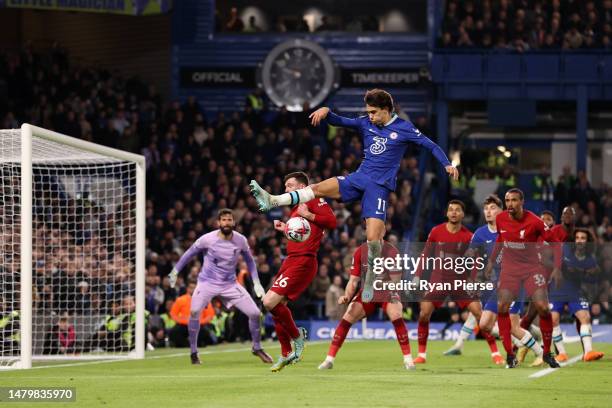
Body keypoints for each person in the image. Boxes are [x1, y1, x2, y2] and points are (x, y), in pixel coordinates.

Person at [250, 89, 457, 307]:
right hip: (359, 178)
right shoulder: (366, 123)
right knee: (318, 187)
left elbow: (430, 145)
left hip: (379, 187)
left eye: (374, 112)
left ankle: (369, 282)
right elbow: (339, 121)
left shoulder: (404, 128)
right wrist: (326, 111)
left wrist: (447, 164)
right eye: (368, 112)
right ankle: (273, 200)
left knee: (373, 237)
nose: (370, 116)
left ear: (386, 110)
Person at [168, 208, 272, 365]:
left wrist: (257, 282)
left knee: (255, 313)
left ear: (234, 222)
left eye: (229, 220)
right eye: (223, 220)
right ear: (218, 223)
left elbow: (250, 261)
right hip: (207, 283)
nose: (226, 222)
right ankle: (194, 352)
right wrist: (175, 270)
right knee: (195, 311)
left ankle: (257, 347)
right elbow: (189, 253)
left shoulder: (241, 240)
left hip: (230, 284)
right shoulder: (207, 239)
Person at [261, 172, 337, 372]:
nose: (286, 190)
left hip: (303, 261)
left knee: (269, 302)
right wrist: (285, 228)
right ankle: (286, 353)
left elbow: (332, 222)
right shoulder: (296, 209)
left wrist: (308, 215)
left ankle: (297, 338)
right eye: (285, 187)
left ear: (302, 186)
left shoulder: (313, 198)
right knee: (278, 308)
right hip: (291, 260)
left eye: (290, 186)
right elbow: (303, 233)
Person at [485, 188, 562, 368]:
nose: (509, 204)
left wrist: (557, 267)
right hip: (509, 271)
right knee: (502, 308)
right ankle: (510, 355)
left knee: (543, 308)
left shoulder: (535, 222)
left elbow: (556, 243)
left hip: (531, 270)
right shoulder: (501, 218)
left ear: (522, 202)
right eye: (507, 200)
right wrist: (491, 262)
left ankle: (547, 353)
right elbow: (500, 240)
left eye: (513, 200)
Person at [413, 200, 497, 364]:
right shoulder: (436, 231)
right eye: (450, 209)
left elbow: (475, 261)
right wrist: (417, 275)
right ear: (446, 213)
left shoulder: (468, 236)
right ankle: (421, 355)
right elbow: (425, 254)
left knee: (480, 315)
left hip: (460, 282)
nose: (453, 212)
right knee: (424, 314)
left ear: (462, 214)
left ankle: (495, 353)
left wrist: (473, 280)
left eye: (457, 210)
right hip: (438, 280)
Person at [318, 241, 415, 370]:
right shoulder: (360, 251)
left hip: (387, 290)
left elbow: (396, 280)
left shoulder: (392, 251)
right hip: (368, 292)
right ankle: (329, 360)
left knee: (396, 313)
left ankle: (408, 360)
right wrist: (347, 296)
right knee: (348, 315)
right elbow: (353, 280)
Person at [443, 195, 504, 365]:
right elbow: (470, 257)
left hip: (510, 282)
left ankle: (526, 340)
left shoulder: (508, 230)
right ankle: (459, 344)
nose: (488, 212)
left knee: (508, 320)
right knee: (477, 315)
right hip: (488, 282)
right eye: (486, 209)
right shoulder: (480, 233)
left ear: (501, 211)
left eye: (492, 208)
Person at [549, 229, 604, 362]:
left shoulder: (591, 260)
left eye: (583, 238)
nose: (579, 240)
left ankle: (588, 353)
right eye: (577, 237)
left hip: (575, 291)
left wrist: (590, 274)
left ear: (587, 241)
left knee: (585, 317)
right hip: (558, 290)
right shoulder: (565, 250)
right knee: (553, 319)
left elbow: (592, 280)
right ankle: (561, 353)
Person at [168, 281, 216, 350]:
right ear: (187, 289)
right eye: (191, 288)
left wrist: (201, 322)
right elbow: (173, 314)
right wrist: (183, 321)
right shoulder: (180, 300)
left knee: (205, 333)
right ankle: (186, 345)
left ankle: (198, 344)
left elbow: (210, 315)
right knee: (174, 332)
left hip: (199, 324)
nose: (193, 289)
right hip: (184, 325)